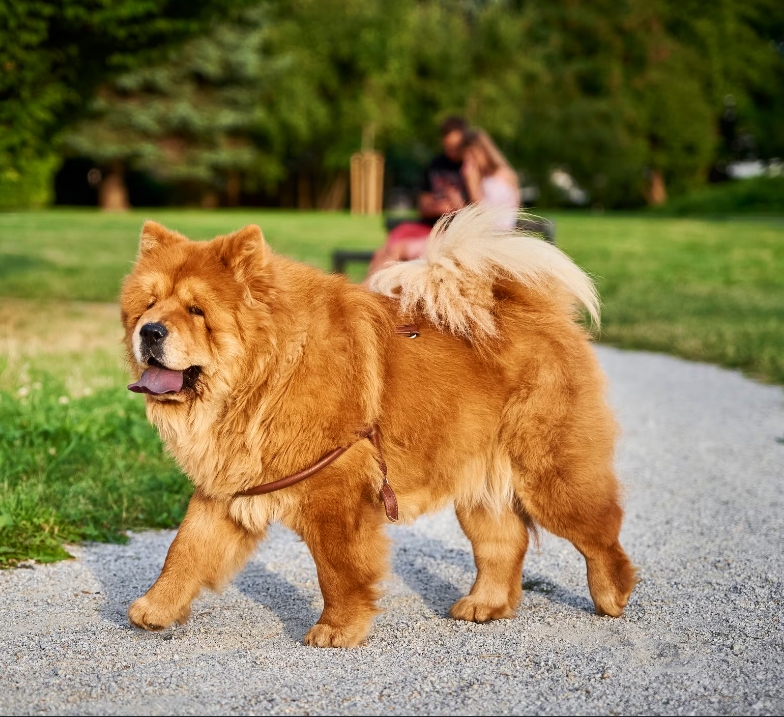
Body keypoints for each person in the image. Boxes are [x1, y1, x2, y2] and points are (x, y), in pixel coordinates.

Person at [366, 116, 469, 275]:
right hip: (428, 225)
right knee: (383, 250)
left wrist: (455, 207)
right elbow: (423, 204)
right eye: (448, 146)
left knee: (395, 251)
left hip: (449, 231)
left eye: (456, 147)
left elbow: (476, 207)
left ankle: (372, 290)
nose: (452, 151)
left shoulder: (470, 168)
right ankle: (367, 289)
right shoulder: (435, 165)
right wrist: (436, 208)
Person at [459, 129, 520, 229]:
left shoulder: (500, 177)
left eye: (473, 156)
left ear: (484, 151)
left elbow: (482, 213)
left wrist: (471, 185)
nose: (470, 162)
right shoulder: (485, 177)